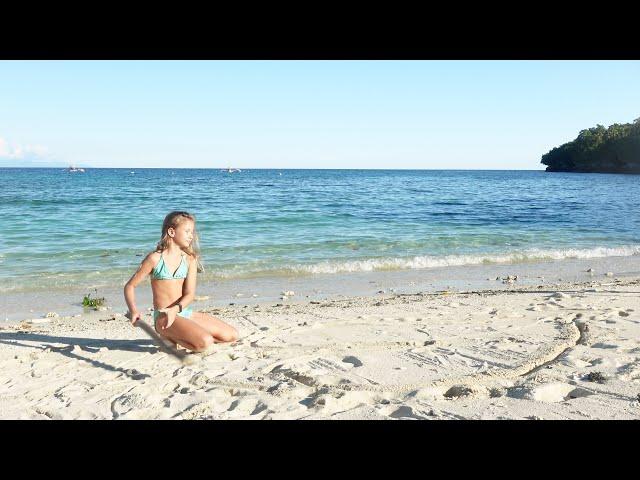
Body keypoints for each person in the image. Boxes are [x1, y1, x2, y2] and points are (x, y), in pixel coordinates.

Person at [124, 211, 238, 352]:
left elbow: (189, 294)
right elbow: (130, 286)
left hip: (183, 313)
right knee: (205, 342)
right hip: (164, 317)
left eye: (192, 231)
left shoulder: (190, 259)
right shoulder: (155, 259)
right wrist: (134, 310)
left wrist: (175, 310)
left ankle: (181, 336)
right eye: (187, 231)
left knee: (232, 335)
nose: (191, 235)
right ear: (171, 232)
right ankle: (168, 335)